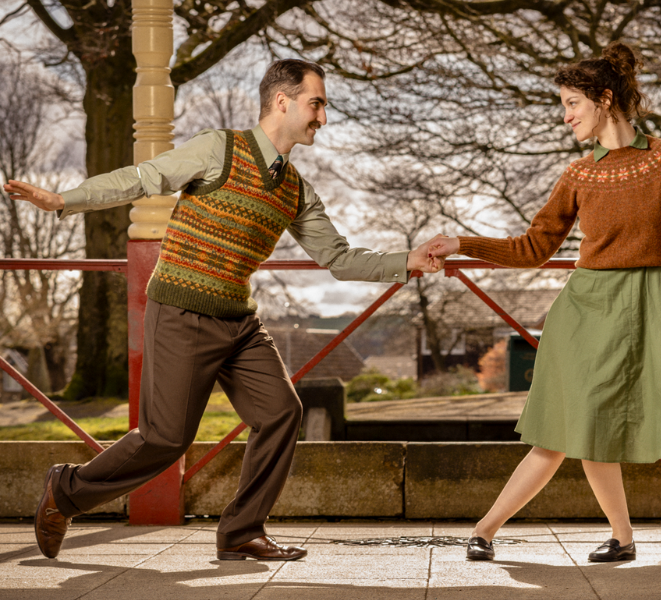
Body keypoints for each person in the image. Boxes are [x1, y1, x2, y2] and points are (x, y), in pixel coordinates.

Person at [4, 59, 442, 561]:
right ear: (283, 101)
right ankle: (66, 490)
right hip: (182, 311)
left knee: (281, 412)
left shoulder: (296, 189)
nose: (323, 116)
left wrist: (410, 260)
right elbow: (144, 178)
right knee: (165, 439)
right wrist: (63, 200)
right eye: (316, 103)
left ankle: (240, 532)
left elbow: (339, 258)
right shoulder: (220, 149)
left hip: (239, 321)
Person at [428, 42, 661, 563]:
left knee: (592, 430)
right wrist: (462, 244)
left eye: (572, 104)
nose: (566, 117)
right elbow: (533, 248)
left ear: (604, 99)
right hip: (583, 310)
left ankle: (611, 538)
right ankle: (490, 531)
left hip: (643, 305)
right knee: (563, 430)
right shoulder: (579, 175)